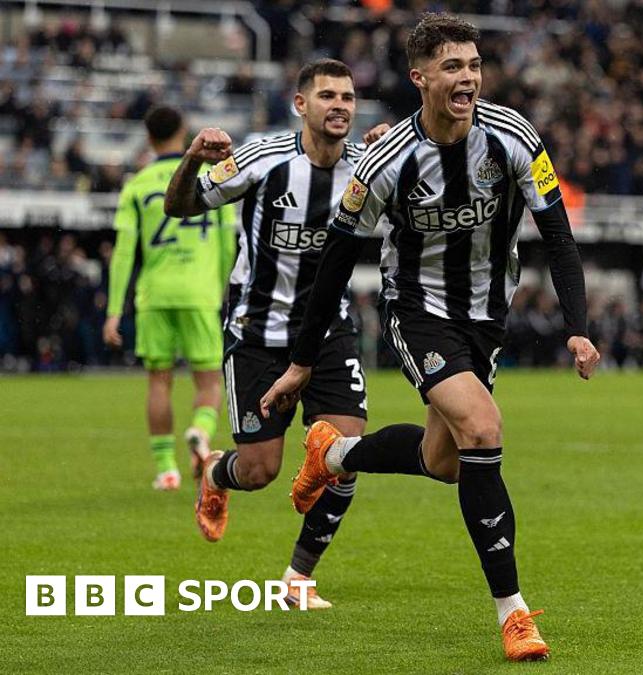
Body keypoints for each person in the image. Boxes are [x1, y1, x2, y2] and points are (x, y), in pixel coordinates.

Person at [260, 13, 600, 661]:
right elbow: (336, 257)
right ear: (420, 78)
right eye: (452, 67)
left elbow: (557, 233)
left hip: (486, 317)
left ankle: (333, 456)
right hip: (417, 310)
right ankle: (515, 612)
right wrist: (304, 360)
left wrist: (578, 328)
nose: (467, 77)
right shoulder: (388, 159)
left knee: (446, 461)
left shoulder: (514, 137)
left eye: (473, 65)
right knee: (484, 428)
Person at [163, 59, 390, 607]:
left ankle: (297, 578)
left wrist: (399, 145)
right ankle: (217, 474)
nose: (340, 106)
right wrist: (193, 158)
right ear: (301, 105)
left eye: (348, 97)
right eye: (328, 96)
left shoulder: (367, 168)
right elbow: (181, 205)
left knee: (346, 451)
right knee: (261, 470)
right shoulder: (264, 159)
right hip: (257, 332)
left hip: (329, 331)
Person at [104, 105, 237, 491]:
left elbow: (124, 254)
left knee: (159, 382)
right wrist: (221, 291)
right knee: (209, 383)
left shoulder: (137, 184)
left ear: (148, 138)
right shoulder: (208, 179)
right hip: (199, 291)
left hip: (154, 294)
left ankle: (166, 469)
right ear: (184, 133)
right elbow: (228, 243)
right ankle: (199, 431)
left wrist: (114, 311)